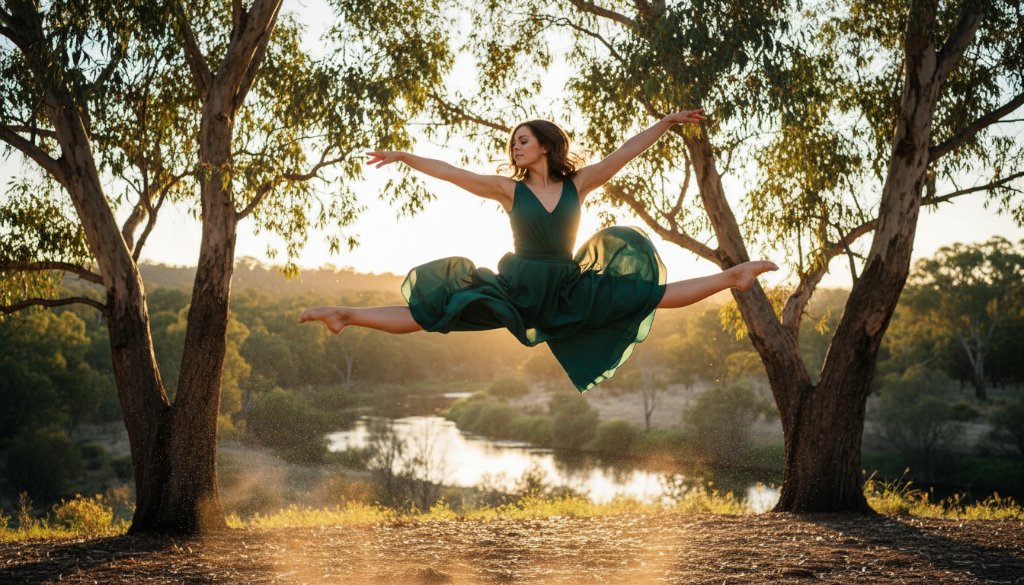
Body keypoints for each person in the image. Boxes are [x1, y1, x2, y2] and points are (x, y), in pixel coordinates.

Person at [299, 110, 777, 391]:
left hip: (566, 287)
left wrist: (666, 123)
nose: (516, 148)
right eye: (513, 143)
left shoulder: (578, 184)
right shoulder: (509, 190)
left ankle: (731, 277)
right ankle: (346, 314)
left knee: (647, 293)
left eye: (523, 141)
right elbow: (453, 173)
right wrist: (406, 157)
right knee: (437, 311)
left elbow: (626, 153)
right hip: (518, 288)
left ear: (545, 146)